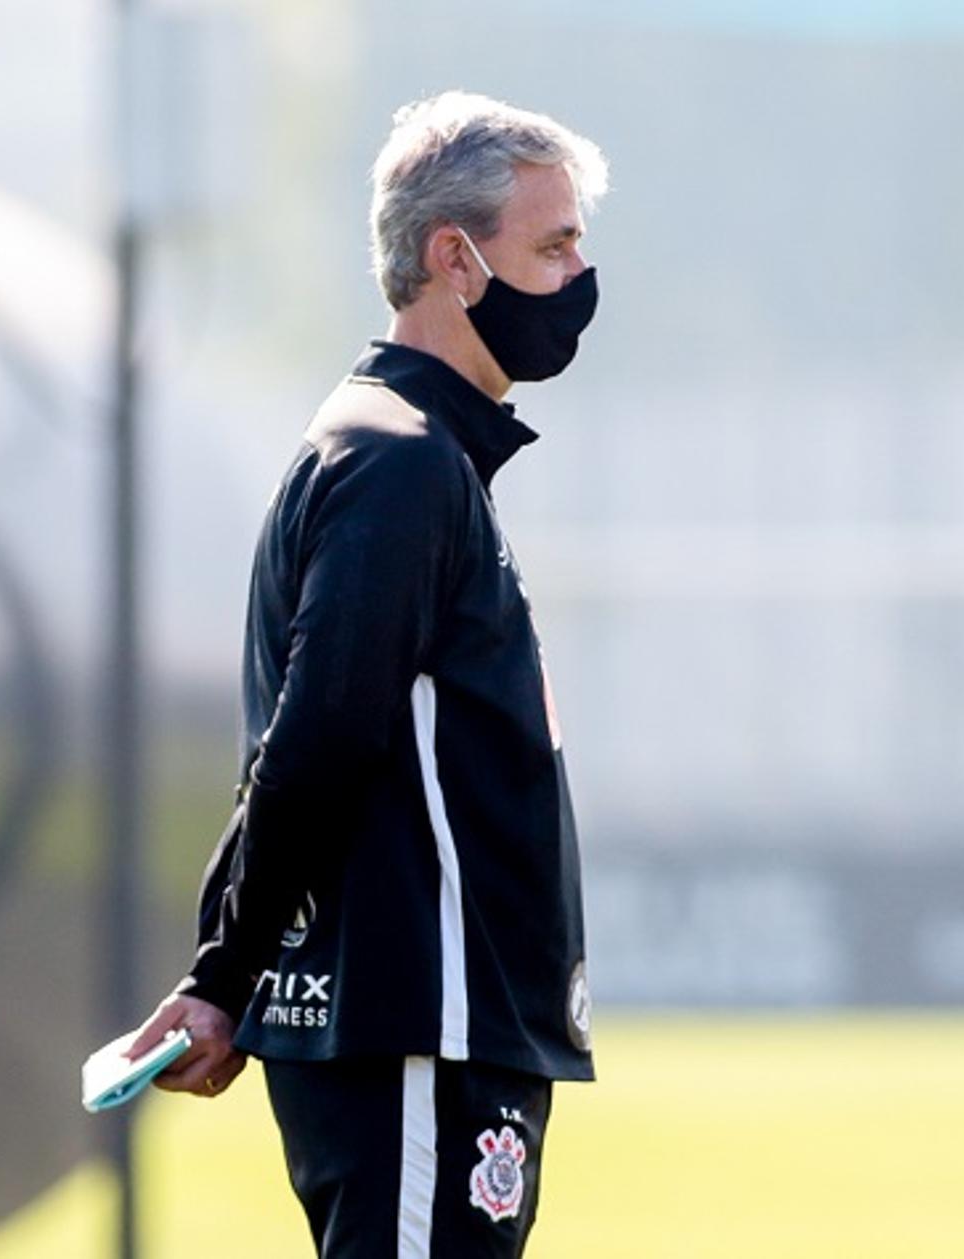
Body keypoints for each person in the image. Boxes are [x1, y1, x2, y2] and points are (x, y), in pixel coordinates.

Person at [124, 90, 609, 1257]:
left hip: (443, 1032)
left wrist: (224, 970)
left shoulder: (419, 456)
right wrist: (225, 972)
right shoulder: (395, 463)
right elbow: (318, 742)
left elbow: (305, 737)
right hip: (414, 1030)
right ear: (455, 257)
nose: (581, 277)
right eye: (553, 245)